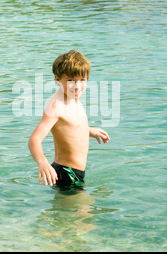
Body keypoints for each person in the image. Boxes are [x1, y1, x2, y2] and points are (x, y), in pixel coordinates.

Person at [28, 50, 110, 187]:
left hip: (72, 172)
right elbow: (34, 140)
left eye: (82, 80)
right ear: (57, 79)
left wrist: (89, 131)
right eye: (71, 81)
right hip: (67, 173)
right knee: (83, 207)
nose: (77, 87)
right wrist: (43, 163)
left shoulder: (72, 98)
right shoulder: (56, 107)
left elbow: (69, 125)